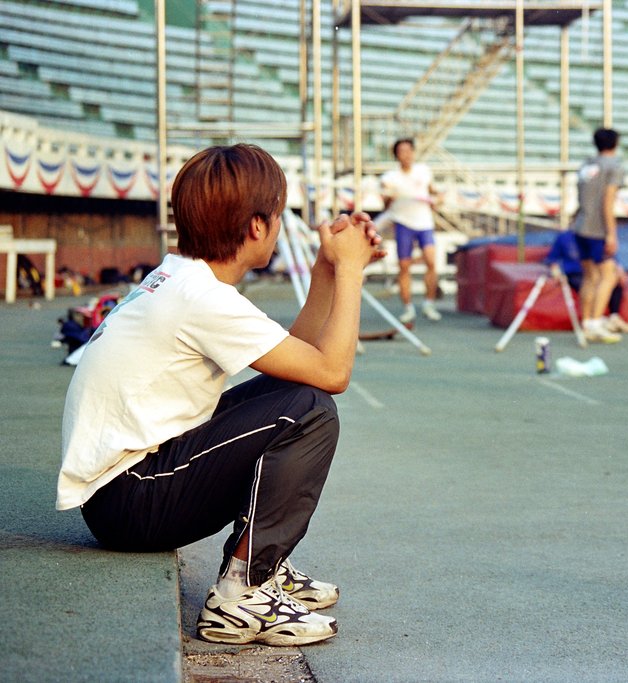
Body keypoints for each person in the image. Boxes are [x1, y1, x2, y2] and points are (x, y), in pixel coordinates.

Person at [56, 143, 386, 646]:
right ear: (257, 226)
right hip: (131, 502)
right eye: (279, 215)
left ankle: (262, 567)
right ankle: (242, 592)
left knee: (298, 392)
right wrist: (352, 271)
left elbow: (301, 360)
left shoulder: (183, 279)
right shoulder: (202, 298)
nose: (280, 226)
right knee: (313, 410)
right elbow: (334, 372)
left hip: (123, 490)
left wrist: (326, 268)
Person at [380, 138, 442, 324]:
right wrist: (391, 196)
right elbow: (385, 204)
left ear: (413, 152)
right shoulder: (390, 178)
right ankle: (408, 308)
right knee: (404, 266)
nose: (406, 155)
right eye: (402, 151)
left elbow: (433, 193)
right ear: (397, 155)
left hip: (424, 223)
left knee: (431, 261)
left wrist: (437, 200)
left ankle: (429, 304)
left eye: (409, 151)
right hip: (403, 223)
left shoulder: (424, 171)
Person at [572, 128, 625, 343]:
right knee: (608, 275)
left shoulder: (586, 165)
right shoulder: (613, 167)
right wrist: (611, 233)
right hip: (597, 229)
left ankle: (586, 322)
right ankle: (595, 322)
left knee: (590, 276)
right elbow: (608, 201)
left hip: (581, 225)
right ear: (615, 144)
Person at [545, 229, 628, 333]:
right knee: (593, 282)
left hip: (596, 270)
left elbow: (609, 255)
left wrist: (619, 267)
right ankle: (593, 321)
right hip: (577, 273)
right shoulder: (566, 237)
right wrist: (555, 270)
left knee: (612, 282)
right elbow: (552, 258)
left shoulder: (597, 236)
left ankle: (612, 317)